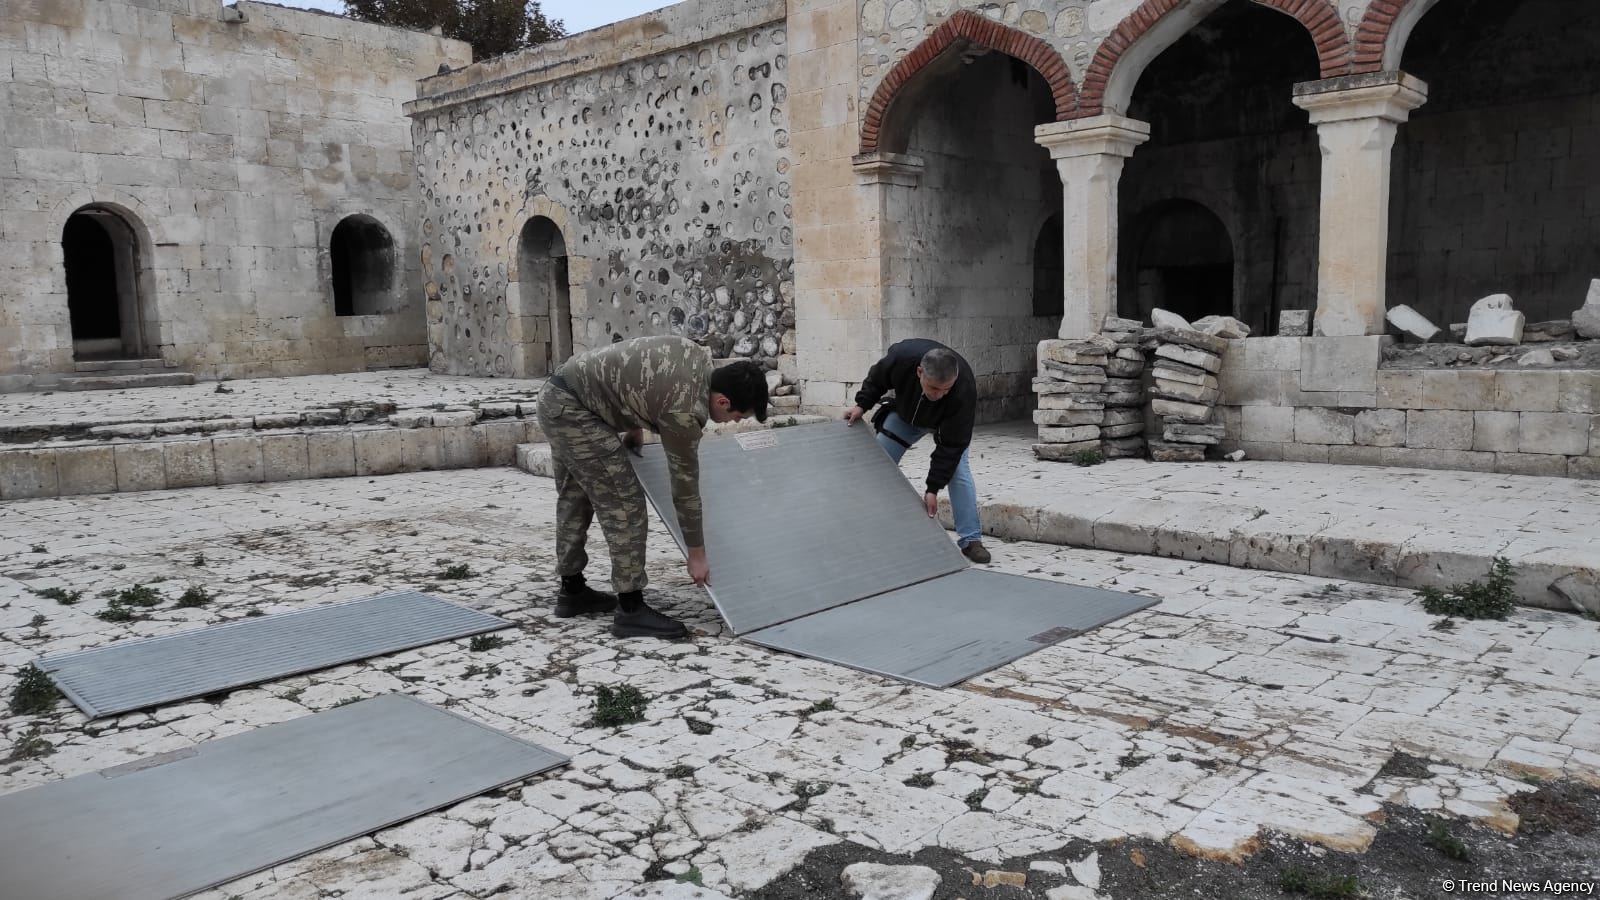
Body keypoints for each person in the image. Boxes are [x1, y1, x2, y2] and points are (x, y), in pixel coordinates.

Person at [537, 335, 769, 638]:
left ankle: (572, 591)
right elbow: (684, 489)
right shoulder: (685, 414)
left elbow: (635, 371)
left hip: (557, 396)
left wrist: (633, 423)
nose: (730, 423)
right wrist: (696, 555)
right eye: (736, 416)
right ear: (722, 401)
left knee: (575, 496)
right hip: (576, 411)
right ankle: (631, 611)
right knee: (624, 505)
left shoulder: (695, 356)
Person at [843, 339, 990, 563]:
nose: (939, 395)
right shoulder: (902, 358)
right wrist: (861, 404)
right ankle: (861, 526)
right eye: (933, 388)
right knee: (876, 465)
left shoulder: (963, 389)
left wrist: (932, 488)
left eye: (945, 390)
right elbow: (878, 378)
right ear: (919, 372)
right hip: (907, 417)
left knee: (958, 473)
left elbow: (951, 447)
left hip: (947, 425)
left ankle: (971, 540)